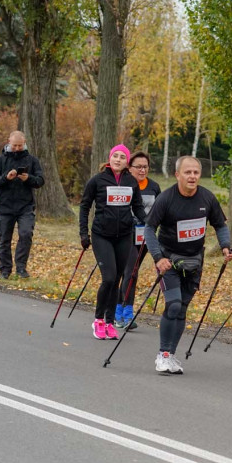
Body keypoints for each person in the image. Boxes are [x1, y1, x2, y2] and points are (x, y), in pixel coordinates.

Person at [143, 155, 232, 374]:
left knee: (182, 308)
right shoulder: (166, 199)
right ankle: (163, 354)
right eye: (187, 172)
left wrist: (225, 245)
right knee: (173, 305)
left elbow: (220, 225)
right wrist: (158, 258)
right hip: (169, 261)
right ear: (177, 175)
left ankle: (171, 354)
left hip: (194, 261)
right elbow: (149, 229)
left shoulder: (207, 198)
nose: (192, 176)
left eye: (196, 172)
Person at [79, 145, 147, 341]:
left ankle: (110, 322)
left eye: (122, 157)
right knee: (108, 278)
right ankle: (98, 320)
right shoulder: (98, 180)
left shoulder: (131, 182)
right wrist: (83, 233)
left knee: (117, 279)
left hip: (124, 236)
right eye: (115, 156)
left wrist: (150, 222)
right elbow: (85, 206)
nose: (118, 159)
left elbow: (138, 207)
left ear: (127, 162)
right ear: (110, 158)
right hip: (102, 235)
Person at [114, 151, 162, 330]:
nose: (142, 170)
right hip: (124, 235)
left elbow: (159, 211)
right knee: (131, 272)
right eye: (138, 167)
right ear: (129, 168)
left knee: (130, 273)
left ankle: (117, 310)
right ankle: (125, 314)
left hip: (144, 237)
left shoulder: (154, 187)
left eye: (145, 167)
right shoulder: (123, 184)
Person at [0, 131, 44, 279]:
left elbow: (40, 181)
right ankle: (5, 269)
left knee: (26, 234)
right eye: (14, 145)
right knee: (4, 239)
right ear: (9, 142)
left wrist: (28, 178)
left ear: (24, 143)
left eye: (20, 145)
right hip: (5, 206)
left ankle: (21, 268)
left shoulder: (32, 161)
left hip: (25, 206)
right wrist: (6, 178)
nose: (17, 148)